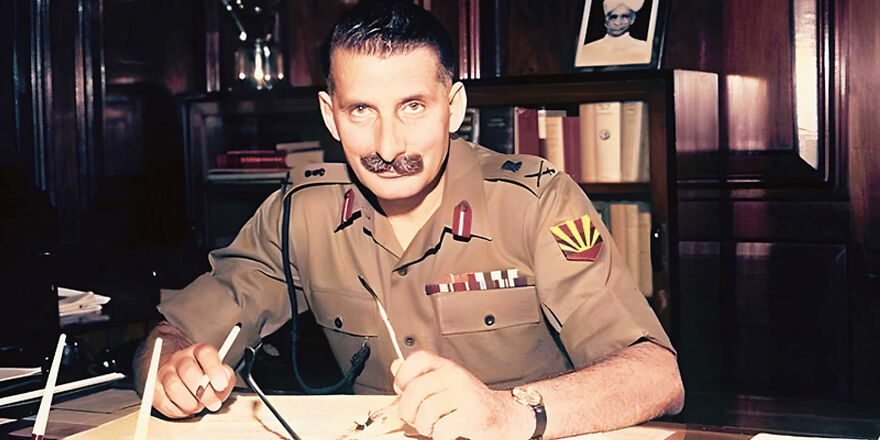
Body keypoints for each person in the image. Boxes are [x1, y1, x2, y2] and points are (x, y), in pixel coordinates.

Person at [134, 1, 684, 439]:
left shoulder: (534, 201)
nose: (388, 146)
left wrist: (508, 414)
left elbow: (655, 375)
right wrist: (167, 371)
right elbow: (171, 334)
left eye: (413, 107)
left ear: (455, 107)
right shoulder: (299, 211)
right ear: (331, 115)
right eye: (361, 111)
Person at [575, 0, 652, 67]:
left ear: (632, 20)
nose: (617, 23)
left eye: (624, 16)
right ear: (605, 21)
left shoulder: (643, 48)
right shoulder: (587, 50)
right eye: (613, 17)